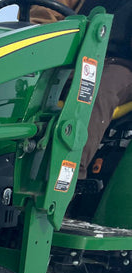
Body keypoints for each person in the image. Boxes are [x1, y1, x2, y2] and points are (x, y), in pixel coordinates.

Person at [32, 1, 132, 179]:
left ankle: (69, 179)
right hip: (72, 56)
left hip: (121, 64)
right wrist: (38, 32)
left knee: (91, 89)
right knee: (25, 83)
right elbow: (45, 11)